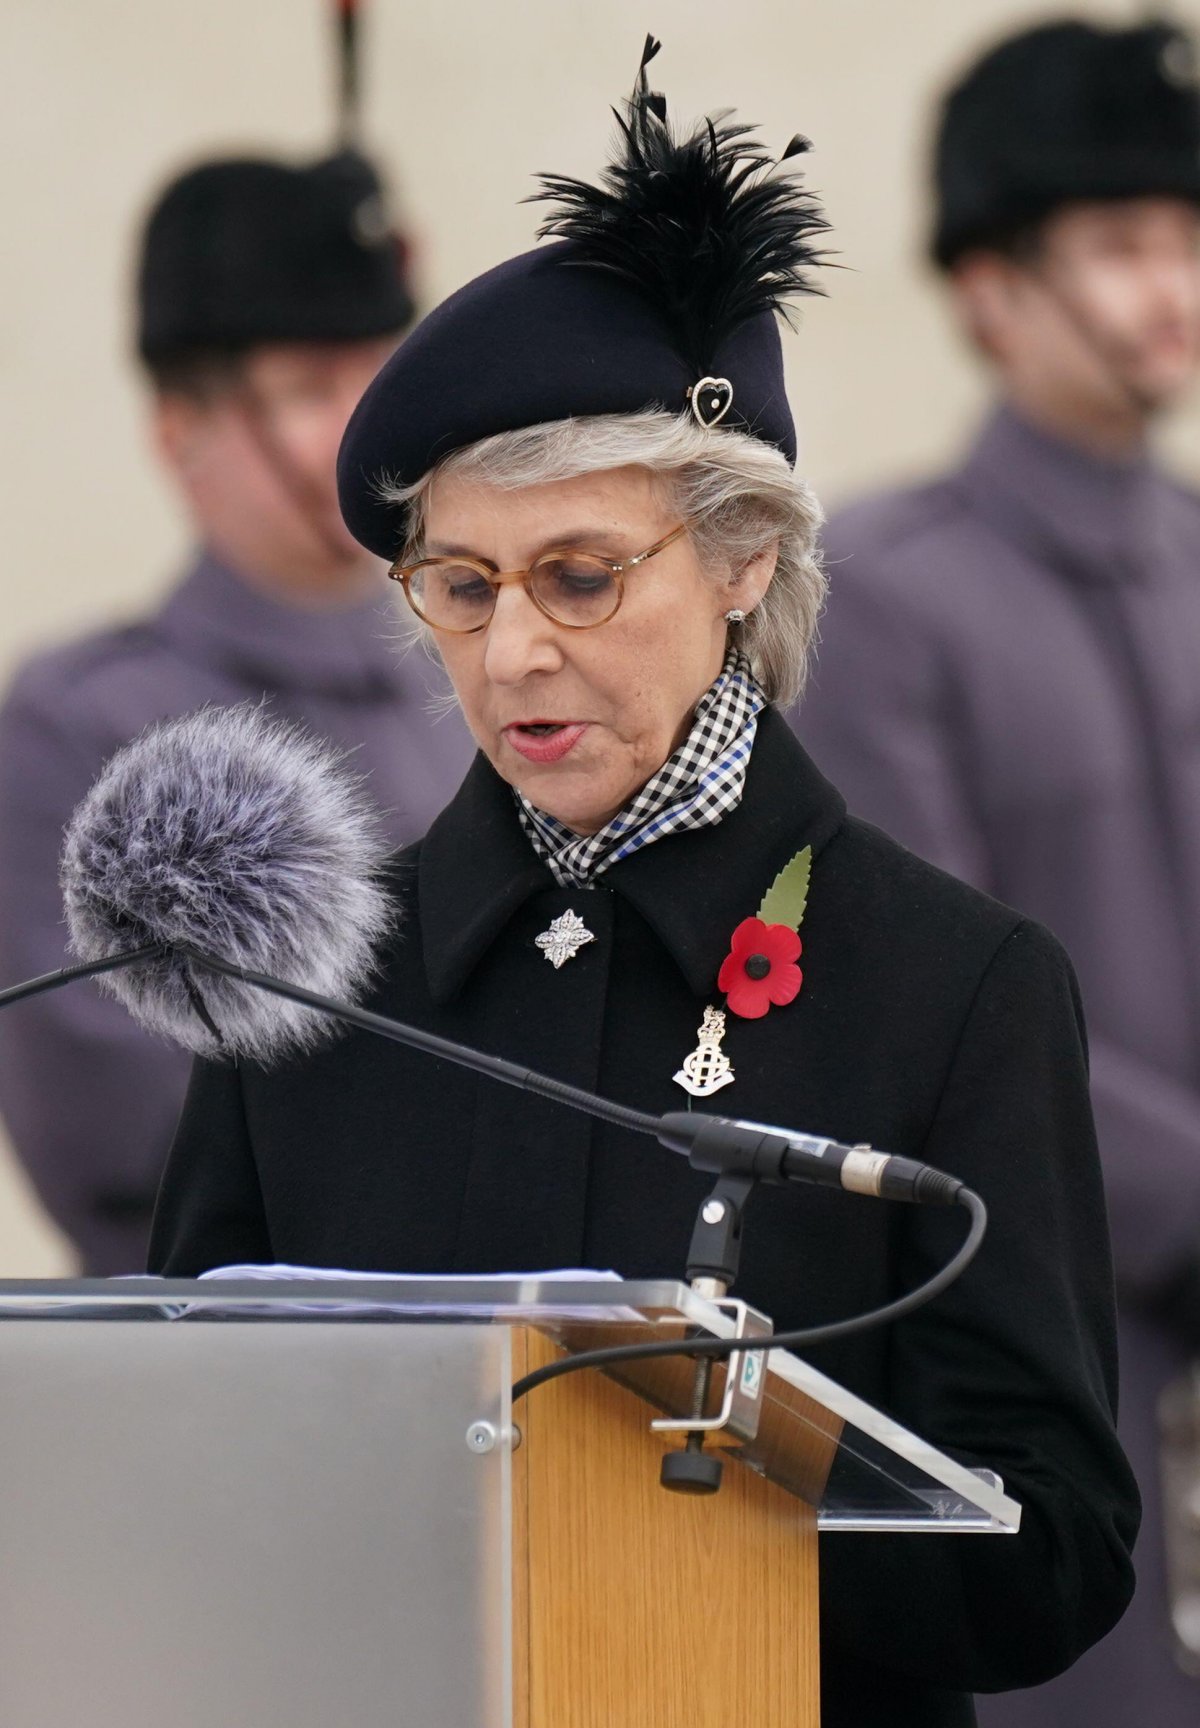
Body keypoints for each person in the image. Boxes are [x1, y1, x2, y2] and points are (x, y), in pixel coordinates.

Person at [147, 43, 1138, 1726]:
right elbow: (173, 1453)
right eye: (458, 587)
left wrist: (720, 1488)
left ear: (744, 556)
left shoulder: (953, 980)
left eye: (582, 576)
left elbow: (1054, 1547)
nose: (514, 649)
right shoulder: (309, 976)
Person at [795, 17, 1200, 1725]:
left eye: (1184, 234)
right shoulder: (882, 595)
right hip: (1041, 1357)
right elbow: (936, 1002)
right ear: (988, 288)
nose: (1168, 280)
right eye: (1116, 241)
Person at [0, 149, 472, 1276]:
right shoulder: (82, 725)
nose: (372, 427)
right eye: (313, 389)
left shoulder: (488, 675)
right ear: (180, 432)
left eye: (383, 372)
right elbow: (126, 1144)